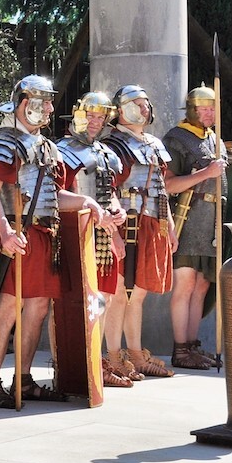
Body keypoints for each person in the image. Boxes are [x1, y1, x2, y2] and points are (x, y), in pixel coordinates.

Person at [0, 75, 107, 407]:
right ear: (25, 103)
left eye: (51, 102)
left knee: (36, 308)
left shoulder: (48, 147)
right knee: (8, 306)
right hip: (16, 234)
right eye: (44, 102)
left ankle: (23, 378)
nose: (50, 108)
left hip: (44, 236)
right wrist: (6, 232)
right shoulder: (3, 142)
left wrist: (86, 202)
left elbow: (54, 195)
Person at [101, 85, 179, 380]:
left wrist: (168, 224)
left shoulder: (154, 143)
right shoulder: (115, 144)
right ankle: (113, 356)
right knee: (120, 293)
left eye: (145, 103)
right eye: (136, 104)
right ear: (120, 111)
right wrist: (114, 231)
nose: (143, 108)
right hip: (125, 222)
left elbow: (160, 190)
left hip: (150, 223)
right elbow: (106, 188)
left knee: (139, 294)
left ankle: (134, 353)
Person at [55, 91, 130, 387]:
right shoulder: (63, 150)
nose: (96, 122)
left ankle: (95, 362)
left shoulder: (104, 151)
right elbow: (58, 192)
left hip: (103, 233)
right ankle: (70, 364)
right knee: (73, 300)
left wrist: (117, 213)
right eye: (91, 115)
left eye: (101, 116)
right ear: (78, 114)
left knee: (105, 298)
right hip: (76, 232)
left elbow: (110, 190)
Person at [163, 86, 228, 369]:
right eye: (204, 108)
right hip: (187, 218)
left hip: (211, 221)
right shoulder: (176, 139)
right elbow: (167, 184)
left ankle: (191, 346)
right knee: (185, 284)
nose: (210, 113)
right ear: (192, 109)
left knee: (202, 286)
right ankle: (179, 350)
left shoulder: (216, 140)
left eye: (213, 108)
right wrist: (206, 173)